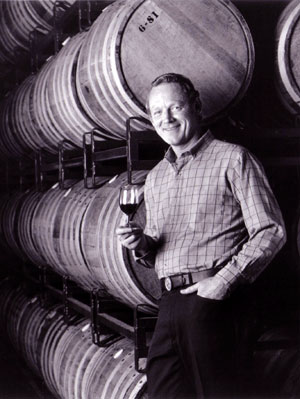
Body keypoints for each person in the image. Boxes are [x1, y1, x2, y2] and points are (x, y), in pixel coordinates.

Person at [116, 73, 286, 398]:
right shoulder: (155, 178)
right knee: (164, 392)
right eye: (156, 112)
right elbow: (157, 246)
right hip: (169, 305)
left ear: (195, 106)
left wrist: (222, 282)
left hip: (218, 303)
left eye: (174, 107)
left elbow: (271, 231)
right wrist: (141, 245)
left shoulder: (233, 158)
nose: (165, 119)